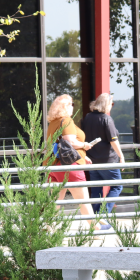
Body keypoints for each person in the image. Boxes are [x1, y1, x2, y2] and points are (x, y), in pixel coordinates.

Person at [44, 95, 107, 229]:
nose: (73, 106)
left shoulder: (54, 122)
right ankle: (95, 228)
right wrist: (84, 145)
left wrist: (83, 156)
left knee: (55, 200)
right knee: (82, 199)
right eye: (71, 104)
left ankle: (47, 227)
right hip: (68, 167)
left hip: (53, 166)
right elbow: (70, 142)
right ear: (65, 107)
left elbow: (59, 145)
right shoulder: (66, 120)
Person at [82, 93, 125, 217]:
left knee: (96, 189)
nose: (112, 106)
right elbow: (113, 140)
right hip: (108, 161)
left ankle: (95, 219)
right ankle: (103, 215)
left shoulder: (88, 117)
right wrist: (121, 157)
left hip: (92, 161)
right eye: (111, 104)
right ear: (106, 104)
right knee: (117, 187)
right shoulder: (107, 119)